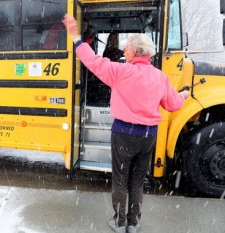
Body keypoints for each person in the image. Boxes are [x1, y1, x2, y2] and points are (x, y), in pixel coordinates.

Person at [62, 15, 189, 233]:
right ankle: (133, 222)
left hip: (123, 133)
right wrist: (184, 95)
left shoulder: (120, 72)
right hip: (148, 135)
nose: (124, 50)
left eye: (127, 47)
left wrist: (75, 36)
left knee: (120, 179)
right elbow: (173, 103)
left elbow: (91, 61)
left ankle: (119, 223)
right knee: (137, 181)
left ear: (137, 52)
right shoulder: (159, 77)